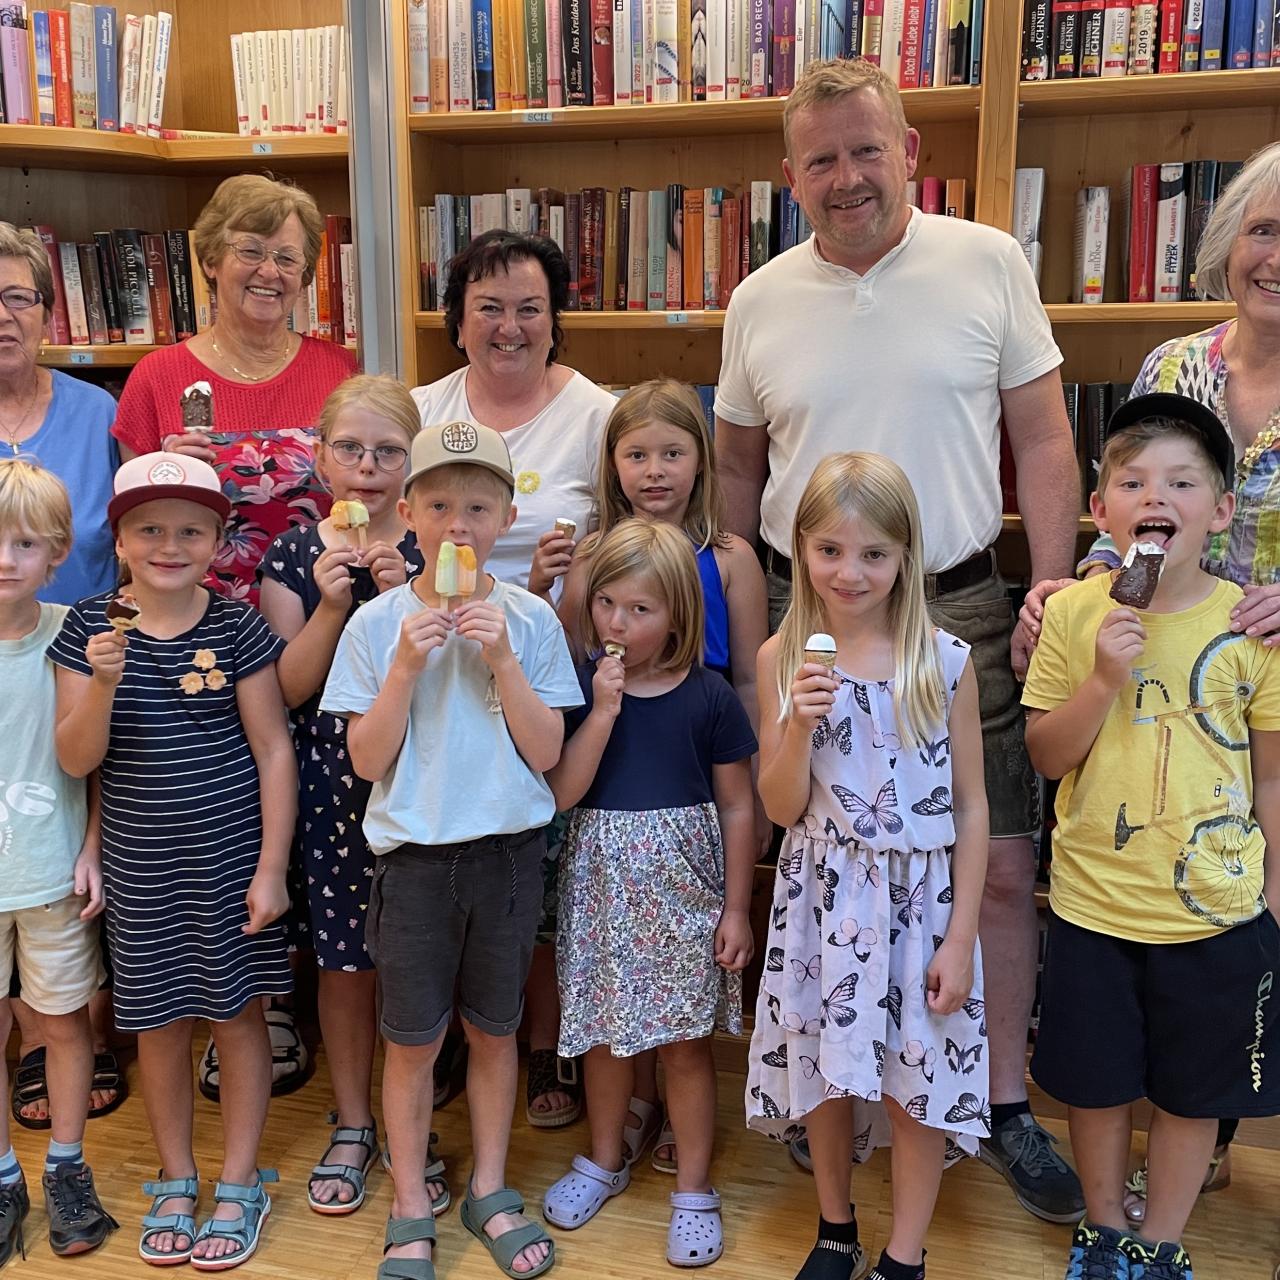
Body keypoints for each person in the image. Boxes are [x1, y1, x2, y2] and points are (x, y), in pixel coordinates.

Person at [713, 56, 1084, 1222]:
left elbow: (1043, 437)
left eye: (864, 149)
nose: (844, 176)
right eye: (818, 158)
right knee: (817, 856)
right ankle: (846, 1074)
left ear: (910, 151)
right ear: (789, 175)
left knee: (999, 865)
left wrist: (1059, 589)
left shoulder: (987, 262)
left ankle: (999, 1099)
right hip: (805, 609)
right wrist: (743, 614)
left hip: (957, 606)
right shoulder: (758, 296)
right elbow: (732, 462)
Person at [1016, 140, 1280, 1222]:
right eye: (1262, 229)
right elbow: (1128, 505)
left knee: (1229, 943)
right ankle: (1168, 1170)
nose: (1275, 254)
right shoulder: (1174, 365)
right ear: (1229, 243)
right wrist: (1069, 598)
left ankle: (1198, 1134)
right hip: (1147, 677)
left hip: (1249, 687)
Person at [321, 420, 579, 1280]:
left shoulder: (532, 620)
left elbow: (548, 753)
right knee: (412, 1040)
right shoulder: (378, 625)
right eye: (437, 504)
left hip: (507, 854)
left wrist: (503, 660)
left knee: (496, 1030)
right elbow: (364, 760)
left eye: (476, 505)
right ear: (406, 514)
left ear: (506, 515)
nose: (456, 524)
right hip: (416, 863)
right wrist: (401, 670)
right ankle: (406, 1202)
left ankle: (491, 1187)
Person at [49, 453, 296, 1269]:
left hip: (229, 863)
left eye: (190, 530)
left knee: (238, 1017)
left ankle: (238, 1178)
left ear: (219, 541)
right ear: (118, 540)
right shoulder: (88, 629)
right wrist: (104, 687)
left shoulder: (236, 624)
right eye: (149, 529)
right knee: (156, 1026)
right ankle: (178, 1174)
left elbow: (272, 751)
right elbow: (78, 759)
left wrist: (271, 868)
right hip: (139, 867)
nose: (169, 544)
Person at [749, 452, 990, 1280]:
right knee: (823, 1069)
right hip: (818, 897)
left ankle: (905, 1252)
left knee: (912, 1082)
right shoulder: (782, 657)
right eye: (829, 551)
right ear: (800, 548)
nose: (850, 573)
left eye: (874, 554)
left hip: (919, 907)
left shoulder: (944, 662)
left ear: (905, 558)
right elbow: (779, 807)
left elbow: (970, 808)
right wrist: (797, 728)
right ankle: (835, 1225)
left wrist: (959, 940)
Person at [411, 228, 616, 1127]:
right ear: (457, 322)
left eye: (530, 308)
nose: (509, 326)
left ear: (554, 321)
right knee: (441, 856)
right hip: (434, 667)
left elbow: (629, 543)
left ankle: (541, 1045)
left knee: (533, 869)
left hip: (552, 662)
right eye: (488, 308)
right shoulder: (421, 409)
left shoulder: (600, 417)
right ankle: (452, 1034)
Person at [557, 379, 769, 1172]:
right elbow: (571, 662)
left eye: (673, 452)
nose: (655, 470)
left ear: (700, 460)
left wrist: (756, 782)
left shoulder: (729, 557)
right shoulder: (592, 559)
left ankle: (682, 1138)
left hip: (698, 759)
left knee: (678, 998)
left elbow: (749, 677)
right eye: (637, 453)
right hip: (612, 765)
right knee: (617, 986)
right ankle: (630, 1117)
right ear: (611, 464)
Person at [541, 520, 756, 1267]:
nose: (619, 624)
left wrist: (735, 906)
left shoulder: (710, 698)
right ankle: (604, 1157)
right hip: (600, 895)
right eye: (606, 604)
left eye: (640, 608)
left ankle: (694, 1188)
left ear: (679, 614)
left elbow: (736, 806)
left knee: (686, 1049)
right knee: (601, 1041)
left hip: (685, 899)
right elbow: (564, 793)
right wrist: (602, 709)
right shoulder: (578, 687)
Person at [257, 375, 434, 1217]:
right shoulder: (293, 553)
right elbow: (286, 688)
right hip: (330, 784)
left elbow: (454, 678)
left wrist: (406, 595)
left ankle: (411, 1125)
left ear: (413, 460)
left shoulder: (434, 543)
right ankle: (356, 1119)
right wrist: (332, 607)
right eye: (351, 450)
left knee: (413, 957)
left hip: (415, 777)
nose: (368, 469)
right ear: (321, 455)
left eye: (388, 452)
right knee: (344, 961)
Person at [0, 222, 124, 1129]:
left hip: (84, 660)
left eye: (17, 298)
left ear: (47, 311)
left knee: (73, 855)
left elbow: (139, 539)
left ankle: (71, 1037)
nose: (3, 317)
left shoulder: (99, 413)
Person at [111, 174, 358, 606]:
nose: (269, 271)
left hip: (324, 617)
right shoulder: (156, 376)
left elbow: (372, 498)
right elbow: (132, 534)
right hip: (200, 628)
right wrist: (169, 480)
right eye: (250, 251)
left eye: (287, 258)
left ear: (303, 276)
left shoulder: (339, 369)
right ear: (210, 260)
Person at [0, 460, 116, 1265]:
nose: (5, 558)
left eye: (24, 543)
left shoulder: (72, 631)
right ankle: (3, 1175)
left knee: (62, 1027)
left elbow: (102, 760)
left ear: (57, 552)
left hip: (49, 874)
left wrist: (94, 846)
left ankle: (67, 1168)